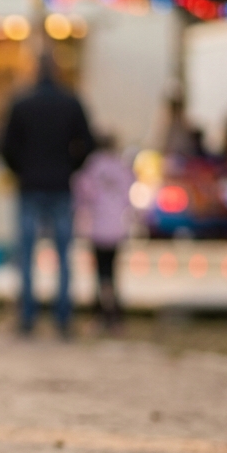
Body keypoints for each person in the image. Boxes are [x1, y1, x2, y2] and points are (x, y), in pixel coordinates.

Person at [0, 56, 94, 337]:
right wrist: (70, 167)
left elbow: (5, 146)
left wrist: (21, 170)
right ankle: (63, 318)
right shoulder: (71, 102)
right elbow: (88, 143)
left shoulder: (21, 103)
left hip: (29, 185)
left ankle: (27, 317)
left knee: (26, 254)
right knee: (64, 255)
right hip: (60, 185)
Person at [73, 135, 134, 332]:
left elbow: (83, 192)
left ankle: (101, 315)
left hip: (98, 228)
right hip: (117, 227)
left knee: (100, 274)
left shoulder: (92, 166)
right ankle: (116, 317)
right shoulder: (122, 166)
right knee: (113, 273)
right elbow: (129, 196)